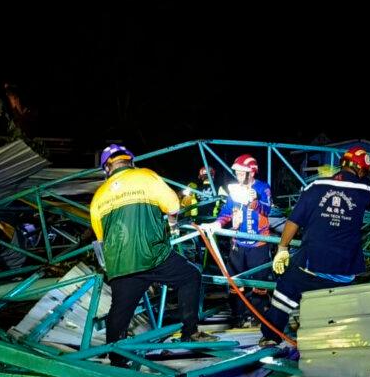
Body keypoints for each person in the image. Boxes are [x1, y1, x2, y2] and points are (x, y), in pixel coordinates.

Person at [89, 144, 218, 354]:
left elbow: (101, 237)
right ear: (130, 161)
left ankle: (116, 358)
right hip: (154, 256)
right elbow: (173, 205)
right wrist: (173, 224)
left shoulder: (98, 196)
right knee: (190, 277)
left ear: (107, 168)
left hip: (121, 264)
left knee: (119, 311)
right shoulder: (145, 176)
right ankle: (190, 332)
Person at [258, 147, 370, 347]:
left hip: (311, 266)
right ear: (361, 170)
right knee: (341, 309)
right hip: (343, 273)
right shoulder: (366, 190)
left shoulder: (315, 186)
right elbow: (369, 194)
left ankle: (271, 335)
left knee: (286, 288)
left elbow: (294, 221)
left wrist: (282, 248)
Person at [201, 154, 273, 326]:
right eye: (237, 173)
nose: (238, 176)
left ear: (252, 172)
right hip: (238, 243)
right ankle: (238, 315)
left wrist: (255, 201)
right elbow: (226, 211)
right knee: (235, 283)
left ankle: (258, 316)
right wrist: (217, 223)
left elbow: (267, 210)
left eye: (242, 173)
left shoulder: (262, 187)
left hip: (258, 243)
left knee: (259, 284)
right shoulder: (234, 189)